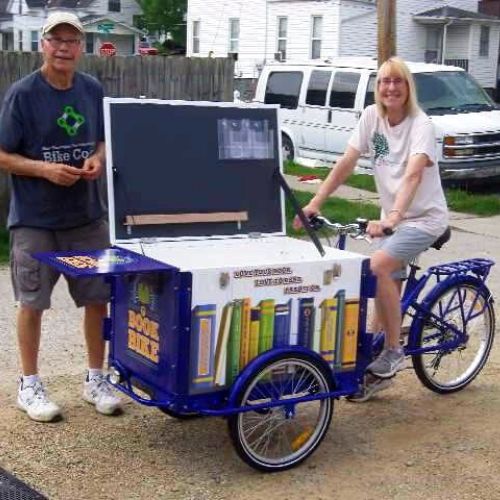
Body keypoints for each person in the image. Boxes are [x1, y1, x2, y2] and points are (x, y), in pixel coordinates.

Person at [294, 56, 449, 400]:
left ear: (408, 87)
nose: (390, 87)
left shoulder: (421, 125)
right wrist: (315, 202)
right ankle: (377, 360)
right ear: (376, 88)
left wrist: (393, 217)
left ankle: (394, 351)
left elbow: (412, 174)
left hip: (422, 219)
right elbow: (347, 162)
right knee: (380, 282)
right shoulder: (371, 118)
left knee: (377, 267)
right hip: (392, 218)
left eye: (397, 81)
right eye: (384, 82)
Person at [0, 11, 122, 421]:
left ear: (81, 48)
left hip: (87, 216)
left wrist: (96, 159)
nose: (64, 47)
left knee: (97, 300)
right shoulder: (23, 94)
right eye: (57, 40)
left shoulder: (90, 89)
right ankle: (29, 385)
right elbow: (3, 155)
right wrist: (44, 169)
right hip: (35, 219)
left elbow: (104, 141)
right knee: (32, 302)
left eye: (72, 41)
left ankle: (95, 379)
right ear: (43, 45)